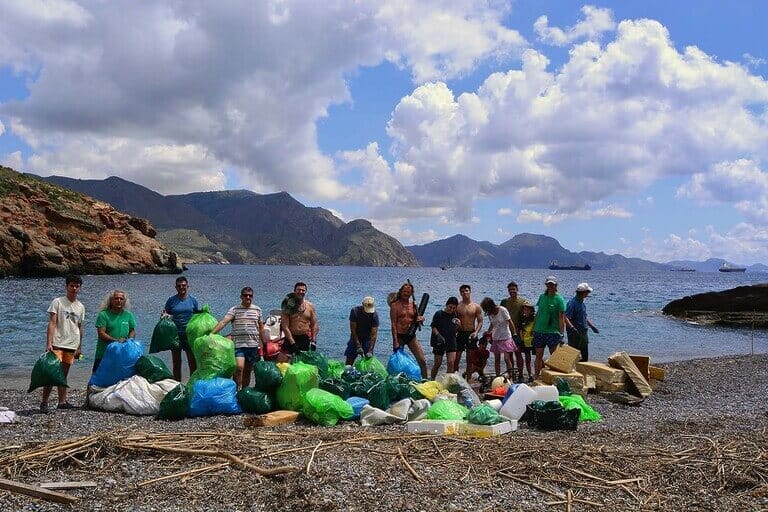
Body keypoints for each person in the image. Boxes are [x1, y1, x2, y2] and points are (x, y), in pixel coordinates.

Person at [40, 274, 85, 413]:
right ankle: (44, 402)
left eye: (77, 286)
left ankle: (62, 401)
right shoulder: (58, 302)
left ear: (80, 288)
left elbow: (79, 327)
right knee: (51, 373)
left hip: (72, 344)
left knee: (63, 374)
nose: (74, 288)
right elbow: (52, 323)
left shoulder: (80, 306)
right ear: (67, 286)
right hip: (58, 343)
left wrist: (79, 347)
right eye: (72, 285)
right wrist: (49, 343)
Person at [211, 287, 269, 390]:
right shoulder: (234, 310)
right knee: (239, 368)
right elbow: (224, 322)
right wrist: (211, 334)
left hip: (252, 345)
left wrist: (265, 343)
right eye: (245, 295)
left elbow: (261, 328)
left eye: (250, 295)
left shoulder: (257, 310)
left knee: (247, 371)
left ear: (252, 297)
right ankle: (236, 389)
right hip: (238, 345)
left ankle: (245, 392)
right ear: (241, 297)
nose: (248, 297)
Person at [532, 276, 573, 380]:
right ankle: (536, 377)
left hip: (553, 332)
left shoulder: (559, 299)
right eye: (548, 284)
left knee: (554, 358)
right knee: (538, 356)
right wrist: (533, 327)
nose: (550, 286)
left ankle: (553, 379)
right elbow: (538, 312)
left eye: (552, 284)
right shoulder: (542, 297)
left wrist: (561, 334)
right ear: (546, 285)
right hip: (539, 331)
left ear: (556, 286)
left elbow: (561, 318)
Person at [389, 281, 428, 379]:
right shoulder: (395, 305)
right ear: (401, 292)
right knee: (397, 362)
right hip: (399, 336)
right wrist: (395, 342)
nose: (406, 294)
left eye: (408, 292)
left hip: (411, 336)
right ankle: (394, 380)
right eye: (404, 292)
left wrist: (421, 319)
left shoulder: (413, 305)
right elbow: (393, 324)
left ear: (411, 293)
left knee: (422, 360)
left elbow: (418, 320)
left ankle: (425, 380)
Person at [164, 276, 200, 381]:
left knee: (192, 361)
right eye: (179, 286)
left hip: (189, 334)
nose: (181, 288)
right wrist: (164, 315)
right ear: (176, 287)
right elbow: (166, 312)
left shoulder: (193, 300)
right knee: (176, 362)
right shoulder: (171, 300)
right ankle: (177, 384)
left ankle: (192, 384)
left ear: (187, 286)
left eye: (183, 285)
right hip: (175, 334)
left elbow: (197, 316)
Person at [93, 290, 136, 373]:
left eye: (121, 299)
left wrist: (130, 340)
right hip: (104, 353)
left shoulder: (128, 315)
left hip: (122, 353)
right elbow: (101, 333)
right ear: (111, 301)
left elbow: (132, 330)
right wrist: (116, 341)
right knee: (95, 380)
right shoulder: (103, 315)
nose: (119, 301)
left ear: (124, 301)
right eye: (116, 298)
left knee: (119, 379)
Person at [480, 298, 517, 379]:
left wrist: (514, 334)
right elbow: (492, 324)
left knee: (507, 358)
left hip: (506, 336)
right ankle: (497, 377)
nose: (487, 311)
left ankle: (510, 376)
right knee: (497, 359)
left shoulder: (502, 310)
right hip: (496, 338)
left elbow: (510, 322)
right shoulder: (490, 314)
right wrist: (488, 332)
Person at [500, 281, 527, 382]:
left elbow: (528, 316)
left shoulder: (523, 302)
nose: (512, 291)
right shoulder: (504, 302)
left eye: (514, 289)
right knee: (509, 355)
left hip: (518, 331)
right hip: (506, 332)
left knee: (518, 353)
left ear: (517, 290)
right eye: (510, 290)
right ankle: (511, 374)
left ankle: (520, 374)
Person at [280, 282, 319, 353]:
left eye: (303, 290)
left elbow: (314, 324)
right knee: (284, 362)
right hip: (290, 338)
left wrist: (313, 341)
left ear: (306, 292)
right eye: (298, 290)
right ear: (294, 291)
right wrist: (292, 343)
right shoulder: (287, 306)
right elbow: (285, 326)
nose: (301, 292)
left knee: (303, 363)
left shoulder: (310, 306)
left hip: (304, 338)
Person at [566, 282, 599, 362]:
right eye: (587, 292)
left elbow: (584, 317)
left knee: (584, 356)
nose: (588, 294)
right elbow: (566, 318)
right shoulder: (572, 303)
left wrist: (592, 327)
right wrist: (573, 328)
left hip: (583, 333)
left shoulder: (582, 303)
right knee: (574, 355)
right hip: (575, 333)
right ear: (583, 292)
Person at [454, 284, 483, 375]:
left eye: (466, 291)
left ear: (470, 292)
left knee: (470, 359)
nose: (464, 293)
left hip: (471, 333)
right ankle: (456, 378)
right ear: (460, 293)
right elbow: (453, 318)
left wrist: (476, 332)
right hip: (460, 333)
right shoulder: (457, 306)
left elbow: (480, 321)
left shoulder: (476, 306)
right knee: (456, 358)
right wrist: (455, 325)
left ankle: (468, 379)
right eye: (462, 291)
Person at [429, 297, 460, 380]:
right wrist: (438, 335)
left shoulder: (456, 315)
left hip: (451, 340)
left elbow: (456, 329)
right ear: (447, 305)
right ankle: (432, 379)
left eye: (454, 308)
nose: (451, 309)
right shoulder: (439, 314)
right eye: (450, 307)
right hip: (439, 340)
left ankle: (447, 382)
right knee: (437, 363)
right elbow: (433, 326)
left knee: (451, 362)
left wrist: (458, 325)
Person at [344, 296, 380, 365]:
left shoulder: (374, 315)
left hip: (367, 337)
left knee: (368, 360)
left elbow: (374, 335)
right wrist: (358, 346)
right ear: (362, 305)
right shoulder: (355, 311)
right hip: (356, 335)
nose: (368, 313)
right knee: (350, 357)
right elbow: (353, 330)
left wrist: (370, 350)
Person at [518, 302, 536, 382]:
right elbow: (521, 331)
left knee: (539, 357)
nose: (526, 311)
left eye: (528, 309)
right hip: (525, 342)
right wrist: (521, 340)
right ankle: (529, 374)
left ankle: (539, 372)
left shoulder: (535, 318)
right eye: (525, 309)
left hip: (534, 341)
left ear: (531, 310)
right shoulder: (522, 318)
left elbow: (536, 328)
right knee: (527, 358)